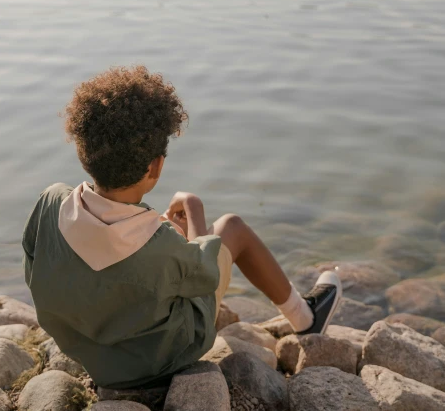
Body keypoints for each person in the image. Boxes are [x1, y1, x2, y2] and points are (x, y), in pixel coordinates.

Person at [22, 66, 341, 390]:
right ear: (156, 166)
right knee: (232, 227)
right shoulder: (162, 247)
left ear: (82, 150)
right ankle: (306, 318)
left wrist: (156, 230)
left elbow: (42, 261)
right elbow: (205, 277)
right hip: (159, 360)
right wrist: (195, 214)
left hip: (88, 351)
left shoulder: (51, 202)